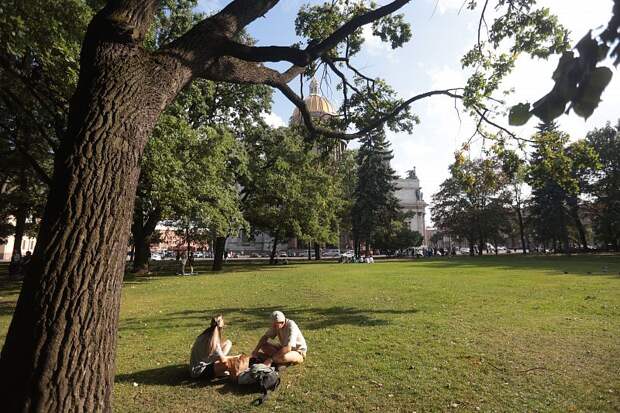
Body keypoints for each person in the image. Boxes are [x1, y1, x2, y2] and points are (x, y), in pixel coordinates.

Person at [189, 315, 233, 380]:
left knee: (228, 343)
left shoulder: (207, 333)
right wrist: (236, 357)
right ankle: (219, 373)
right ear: (222, 325)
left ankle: (219, 370)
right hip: (198, 372)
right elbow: (224, 360)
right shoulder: (213, 340)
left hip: (200, 363)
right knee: (227, 364)